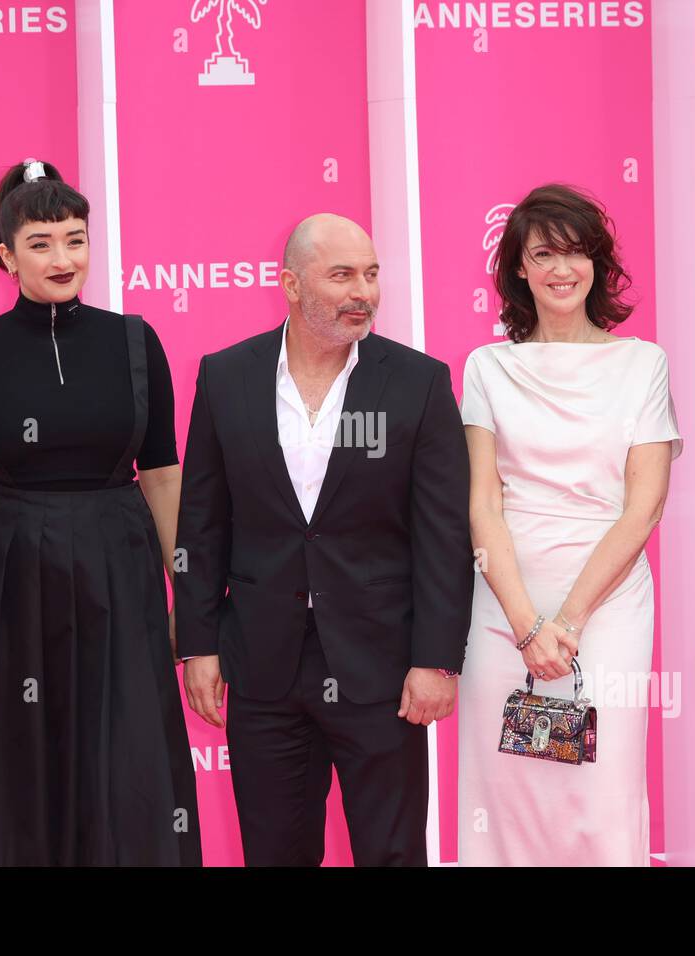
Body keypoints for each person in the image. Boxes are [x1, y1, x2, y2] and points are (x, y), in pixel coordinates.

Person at [174, 213, 472, 866]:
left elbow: (443, 533)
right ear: (289, 283)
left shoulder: (416, 382)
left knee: (391, 854)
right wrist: (197, 643)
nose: (362, 291)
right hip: (262, 662)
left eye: (370, 274)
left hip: (383, 666)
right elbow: (201, 522)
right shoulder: (226, 378)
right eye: (342, 275)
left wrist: (436, 658)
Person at [0, 159, 200, 866]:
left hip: (120, 567)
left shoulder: (134, 341)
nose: (63, 258)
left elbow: (163, 474)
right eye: (41, 242)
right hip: (9, 573)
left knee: (128, 746)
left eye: (75, 239)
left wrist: (189, 594)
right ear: (5, 254)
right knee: (17, 747)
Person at [458, 184, 682, 867]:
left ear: (599, 264)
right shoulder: (487, 366)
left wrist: (570, 622)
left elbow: (642, 507)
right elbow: (484, 505)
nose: (563, 268)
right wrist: (528, 625)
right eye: (545, 253)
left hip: (607, 608)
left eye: (578, 252)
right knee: (510, 789)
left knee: (598, 786)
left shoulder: (642, 363)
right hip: (504, 607)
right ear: (519, 268)